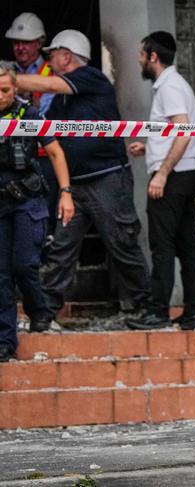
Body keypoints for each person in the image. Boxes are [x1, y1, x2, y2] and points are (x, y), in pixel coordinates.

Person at [16, 30, 151, 325]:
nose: (49, 60)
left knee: (122, 243)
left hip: (106, 179)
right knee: (62, 249)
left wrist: (9, 80)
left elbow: (48, 82)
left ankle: (144, 308)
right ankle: (45, 312)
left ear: (67, 56)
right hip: (75, 185)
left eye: (53, 54)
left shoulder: (90, 77)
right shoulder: (65, 99)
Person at [125, 31, 195, 330]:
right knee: (187, 245)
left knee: (163, 246)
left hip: (173, 177)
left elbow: (183, 131)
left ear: (153, 56)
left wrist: (161, 172)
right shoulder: (174, 84)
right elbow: (176, 131)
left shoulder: (169, 87)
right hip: (186, 174)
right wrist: (150, 147)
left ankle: (157, 312)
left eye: (141, 54)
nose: (138, 59)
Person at [0, 61, 74, 360]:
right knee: (1, 274)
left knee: (23, 264)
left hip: (27, 201)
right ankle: (5, 340)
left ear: (15, 89)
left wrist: (66, 194)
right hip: (1, 205)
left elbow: (55, 152)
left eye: (4, 90)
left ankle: (39, 311)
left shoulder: (28, 114)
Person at [5, 12, 59, 241]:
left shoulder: (51, 72)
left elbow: (46, 115)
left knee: (40, 216)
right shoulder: (5, 71)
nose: (20, 47)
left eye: (26, 42)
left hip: (42, 155)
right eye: (16, 42)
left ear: (40, 43)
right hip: (11, 155)